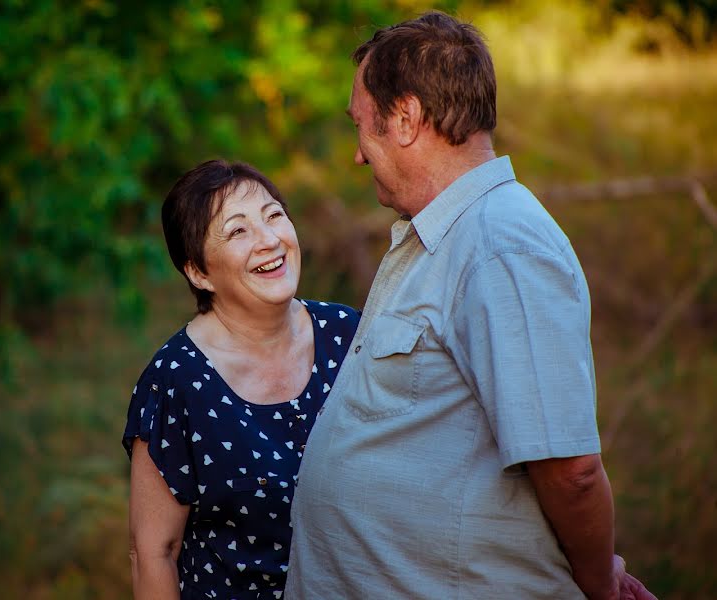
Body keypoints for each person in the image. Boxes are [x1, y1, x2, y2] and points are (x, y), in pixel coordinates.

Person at [284, 11, 655, 600]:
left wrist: (598, 587)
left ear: (404, 118)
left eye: (362, 126)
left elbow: (571, 471)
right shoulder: (440, 235)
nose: (358, 154)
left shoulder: (502, 246)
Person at [124, 159, 360, 599]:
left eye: (273, 216)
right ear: (199, 272)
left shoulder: (351, 336)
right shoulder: (176, 381)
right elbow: (154, 551)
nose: (269, 240)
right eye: (238, 231)